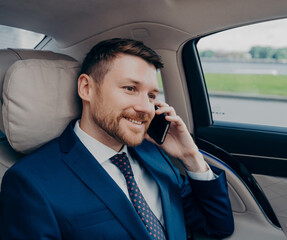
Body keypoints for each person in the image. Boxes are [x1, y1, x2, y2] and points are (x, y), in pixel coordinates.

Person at [0, 38, 234, 239]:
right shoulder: (30, 183)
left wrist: (190, 156)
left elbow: (217, 227)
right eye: (130, 88)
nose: (146, 108)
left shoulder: (155, 155)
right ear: (86, 88)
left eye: (152, 95)